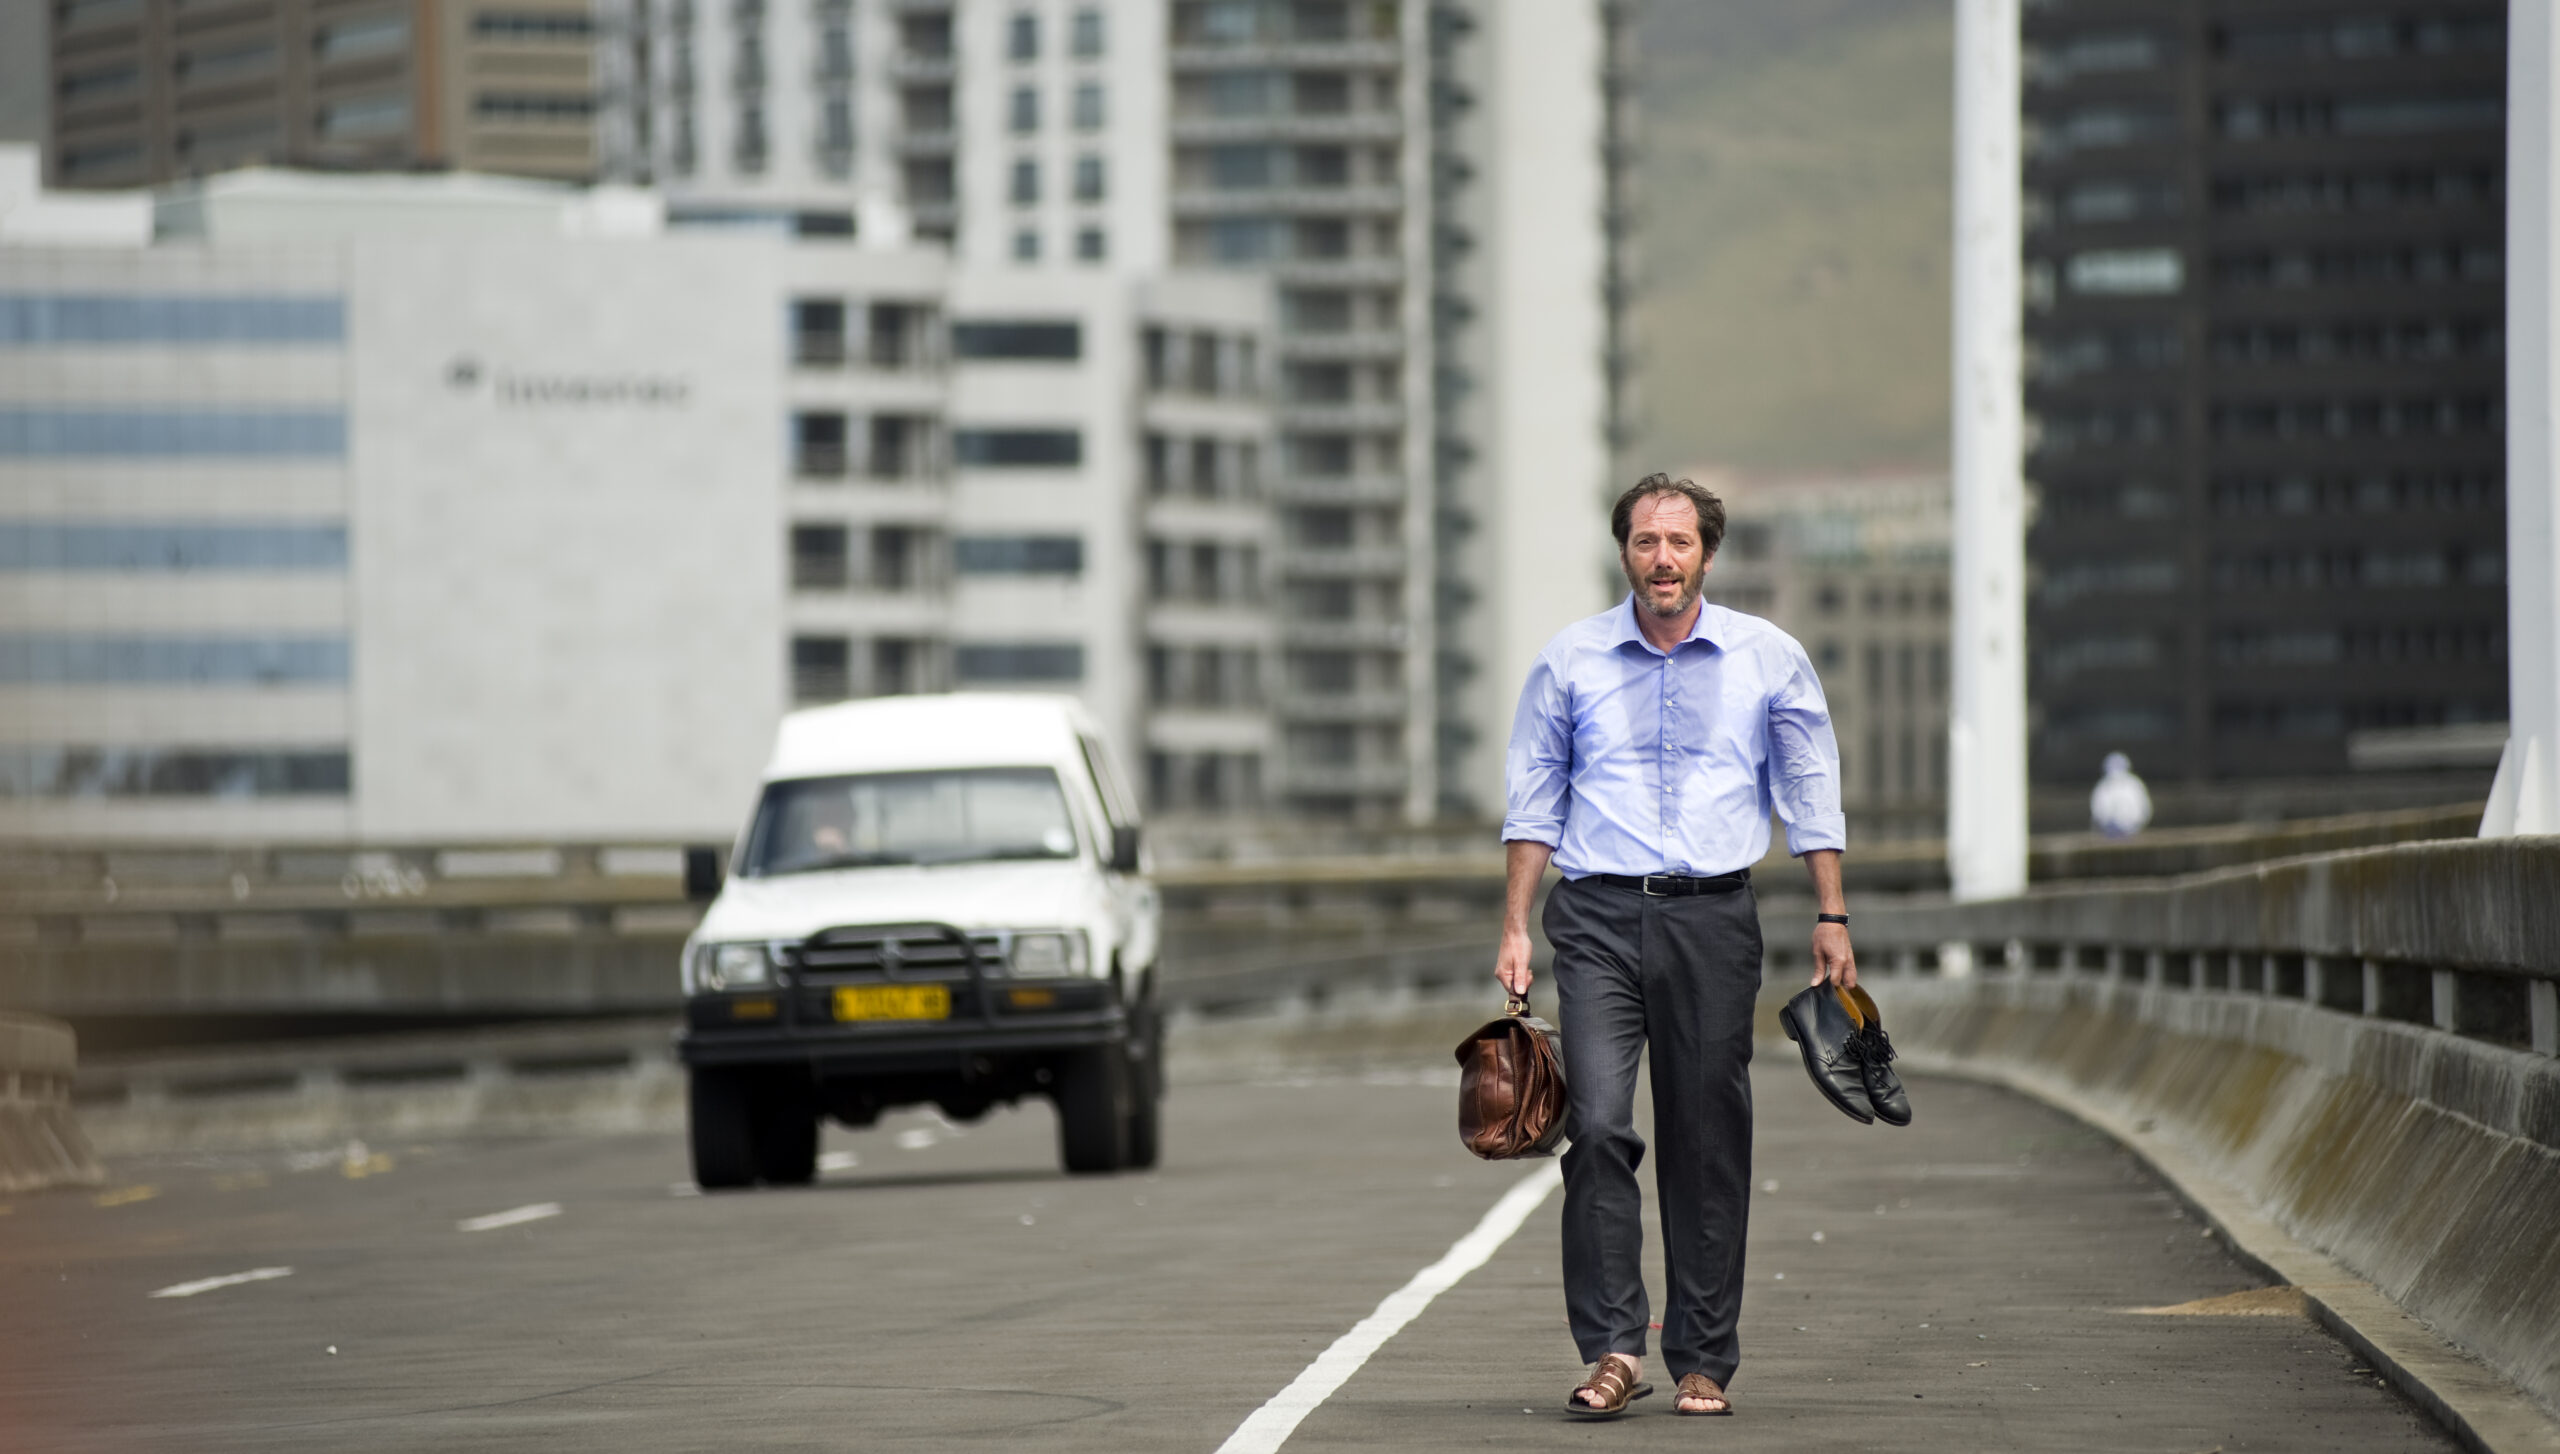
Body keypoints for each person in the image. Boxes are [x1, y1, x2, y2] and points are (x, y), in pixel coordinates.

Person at [1497, 473, 1856, 1419]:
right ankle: (1616, 1348)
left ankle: (1703, 1356)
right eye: (1647, 541)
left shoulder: (1768, 659)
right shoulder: (1569, 661)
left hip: (1713, 920)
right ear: (1625, 551)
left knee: (1706, 1140)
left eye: (1680, 543)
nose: (1663, 559)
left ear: (1707, 553)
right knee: (1601, 1125)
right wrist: (1515, 929)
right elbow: (1534, 803)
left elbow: (1810, 795)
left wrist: (1832, 918)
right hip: (1597, 919)